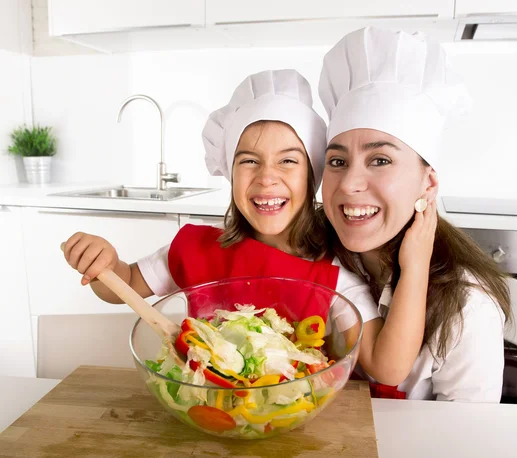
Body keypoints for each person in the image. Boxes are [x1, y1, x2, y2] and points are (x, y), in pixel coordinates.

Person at [62, 69, 434, 385]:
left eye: (288, 161)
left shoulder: (334, 276)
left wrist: (416, 264)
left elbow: (387, 368)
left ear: (313, 176)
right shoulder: (195, 248)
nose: (266, 178)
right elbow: (123, 287)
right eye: (249, 161)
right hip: (203, 413)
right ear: (230, 172)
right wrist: (104, 265)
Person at [318, 27, 512, 402]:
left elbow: (467, 437)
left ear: (428, 183)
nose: (349, 184)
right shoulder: (314, 262)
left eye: (380, 160)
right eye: (337, 161)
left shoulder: (469, 308)